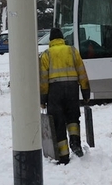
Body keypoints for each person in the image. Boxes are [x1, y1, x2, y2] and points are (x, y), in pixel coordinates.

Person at [39, 27, 91, 164]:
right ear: (62, 38)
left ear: (51, 40)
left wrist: (43, 99)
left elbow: (43, 80)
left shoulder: (46, 55)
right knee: (73, 117)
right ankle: (75, 143)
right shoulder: (72, 51)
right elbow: (82, 73)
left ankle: (64, 155)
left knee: (58, 122)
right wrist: (85, 92)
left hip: (54, 91)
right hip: (72, 88)